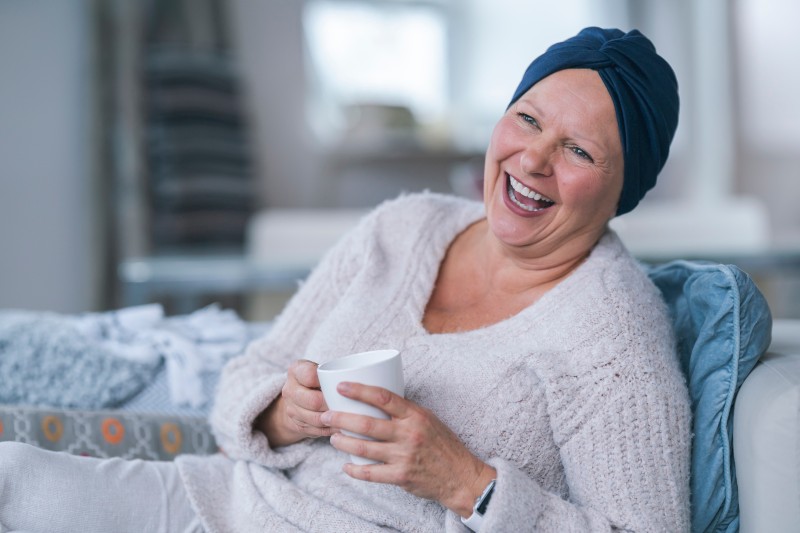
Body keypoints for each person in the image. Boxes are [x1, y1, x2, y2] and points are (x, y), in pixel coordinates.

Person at [0, 26, 690, 532]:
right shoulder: (407, 226)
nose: (533, 159)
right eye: (528, 119)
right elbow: (251, 371)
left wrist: (469, 483)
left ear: (625, 188)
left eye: (577, 149)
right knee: (14, 477)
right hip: (222, 503)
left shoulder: (613, 335)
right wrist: (281, 411)